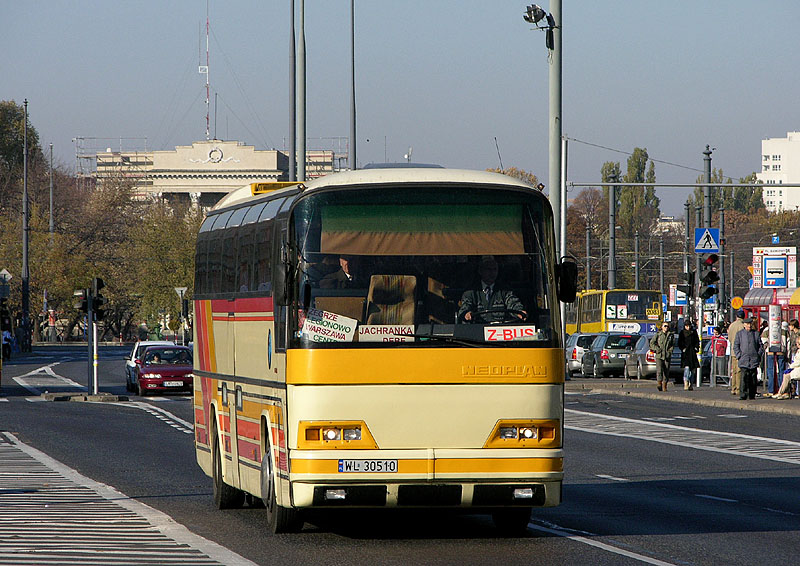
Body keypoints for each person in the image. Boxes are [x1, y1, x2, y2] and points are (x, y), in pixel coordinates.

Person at [458, 256, 526, 324]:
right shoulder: (470, 292)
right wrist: (466, 313)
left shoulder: (505, 290)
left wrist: (519, 311)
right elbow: (465, 307)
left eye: (495, 269)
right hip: (477, 330)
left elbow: (513, 302)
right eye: (488, 269)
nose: (492, 273)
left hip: (500, 329)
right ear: (480, 271)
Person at [733, 316, 765, 400]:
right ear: (744, 325)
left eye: (750, 324)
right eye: (747, 324)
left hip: (753, 359)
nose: (749, 326)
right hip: (743, 359)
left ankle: (752, 394)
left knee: (753, 379)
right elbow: (736, 346)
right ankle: (743, 394)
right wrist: (739, 355)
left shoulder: (756, 333)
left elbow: (760, 346)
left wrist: (758, 355)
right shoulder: (740, 334)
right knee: (743, 378)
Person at [727, 310, 747, 396]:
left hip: (733, 351)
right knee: (739, 371)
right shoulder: (743, 326)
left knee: (734, 370)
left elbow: (730, 338)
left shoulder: (732, 325)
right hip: (741, 351)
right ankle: (739, 388)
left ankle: (733, 388)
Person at [773, 335, 800, 399]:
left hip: (798, 369)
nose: (797, 345)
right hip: (796, 368)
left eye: (798, 343)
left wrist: (790, 367)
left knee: (787, 376)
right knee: (786, 375)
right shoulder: (798, 351)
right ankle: (784, 393)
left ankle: (781, 392)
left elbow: (798, 362)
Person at [650, 322, 674, 391]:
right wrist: (657, 349)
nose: (666, 327)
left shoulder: (670, 335)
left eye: (667, 326)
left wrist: (670, 351)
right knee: (659, 370)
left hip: (667, 355)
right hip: (659, 355)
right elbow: (652, 343)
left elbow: (672, 345)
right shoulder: (658, 335)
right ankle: (659, 383)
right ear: (662, 327)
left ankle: (664, 385)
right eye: (665, 326)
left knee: (666, 371)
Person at [677, 320, 699, 390]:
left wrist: (696, 348)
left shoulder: (694, 332)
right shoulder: (682, 333)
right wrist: (683, 348)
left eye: (689, 326)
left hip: (692, 353)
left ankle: (691, 384)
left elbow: (697, 341)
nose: (688, 327)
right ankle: (686, 382)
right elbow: (680, 342)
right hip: (686, 354)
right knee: (687, 368)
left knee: (692, 370)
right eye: (686, 326)